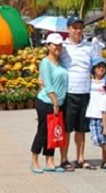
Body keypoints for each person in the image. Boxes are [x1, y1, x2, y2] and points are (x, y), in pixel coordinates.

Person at [58, 16, 94, 171]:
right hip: (69, 93)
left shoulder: (89, 47)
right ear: (68, 29)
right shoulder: (63, 47)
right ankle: (64, 159)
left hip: (85, 92)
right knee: (66, 129)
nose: (78, 31)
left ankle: (80, 158)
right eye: (74, 28)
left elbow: (96, 66)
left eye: (80, 27)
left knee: (81, 129)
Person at [30, 33, 68, 173]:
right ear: (48, 46)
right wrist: (55, 103)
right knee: (43, 132)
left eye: (60, 45)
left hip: (60, 102)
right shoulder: (45, 63)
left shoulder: (61, 63)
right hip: (47, 102)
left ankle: (50, 160)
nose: (58, 47)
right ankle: (34, 160)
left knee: (54, 132)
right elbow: (49, 85)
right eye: (55, 44)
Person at [85, 57, 106, 169]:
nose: (101, 69)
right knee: (97, 138)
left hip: (105, 115)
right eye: (99, 67)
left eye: (103, 67)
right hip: (93, 114)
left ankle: (105, 160)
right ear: (93, 69)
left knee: (105, 137)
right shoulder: (88, 82)